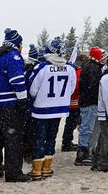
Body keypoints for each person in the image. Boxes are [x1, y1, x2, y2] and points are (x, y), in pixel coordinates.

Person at [0, 28, 31, 182]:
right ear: (17, 44)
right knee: (13, 137)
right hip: (8, 103)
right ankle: (13, 172)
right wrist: (23, 99)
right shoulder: (13, 57)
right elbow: (17, 81)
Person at [27, 38, 77, 180]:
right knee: (51, 137)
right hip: (59, 108)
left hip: (41, 109)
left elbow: (32, 89)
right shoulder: (70, 68)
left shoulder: (42, 67)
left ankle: (37, 170)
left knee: (39, 138)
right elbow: (71, 88)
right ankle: (47, 167)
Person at [76, 47, 106, 166]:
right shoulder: (93, 68)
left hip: (87, 101)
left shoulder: (89, 66)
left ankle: (85, 151)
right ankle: (82, 154)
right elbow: (93, 87)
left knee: (88, 127)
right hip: (90, 102)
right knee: (87, 128)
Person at [61, 53, 86, 153]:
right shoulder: (79, 72)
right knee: (71, 123)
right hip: (75, 101)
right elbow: (76, 86)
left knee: (70, 123)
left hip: (71, 100)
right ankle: (66, 143)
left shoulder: (73, 70)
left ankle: (66, 142)